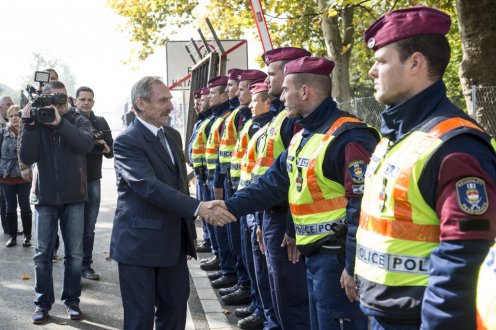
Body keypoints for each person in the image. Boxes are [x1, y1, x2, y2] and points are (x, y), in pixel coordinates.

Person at [355, 6, 496, 329]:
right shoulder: (397, 137)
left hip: (419, 319)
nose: (372, 72)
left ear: (415, 63)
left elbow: (464, 259)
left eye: (381, 61)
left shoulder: (455, 145)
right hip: (383, 312)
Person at [221, 56, 377, 330]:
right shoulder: (303, 136)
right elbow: (274, 185)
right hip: (315, 256)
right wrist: (227, 208)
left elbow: (361, 208)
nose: (280, 94)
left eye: (286, 90)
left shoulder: (348, 137)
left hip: (338, 261)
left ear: (304, 91)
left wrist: (352, 267)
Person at [110, 76, 235, 330]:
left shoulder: (172, 135)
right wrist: (198, 207)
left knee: (175, 311)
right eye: (163, 100)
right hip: (139, 247)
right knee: (139, 320)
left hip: (173, 245)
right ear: (141, 104)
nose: (170, 106)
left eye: (170, 99)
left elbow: (178, 185)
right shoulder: (127, 141)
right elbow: (149, 187)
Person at [19, 80, 94, 324]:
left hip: (74, 198)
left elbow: (86, 144)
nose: (58, 102)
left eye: (63, 97)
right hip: (44, 198)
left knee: (74, 254)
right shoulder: (37, 122)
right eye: (54, 97)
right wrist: (30, 125)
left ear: (68, 99)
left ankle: (72, 302)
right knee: (42, 255)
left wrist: (60, 124)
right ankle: (42, 304)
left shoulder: (78, 119)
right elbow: (28, 157)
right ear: (45, 98)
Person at [216, 69, 267, 307]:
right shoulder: (245, 118)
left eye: (240, 87)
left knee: (257, 257)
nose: (233, 91)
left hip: (256, 199)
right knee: (244, 250)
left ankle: (254, 298)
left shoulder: (253, 120)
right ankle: (251, 294)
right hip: (240, 191)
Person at [234, 80, 277, 329]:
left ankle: (266, 315)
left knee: (264, 269)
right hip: (250, 202)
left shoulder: (275, 127)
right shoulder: (258, 126)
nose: (249, 103)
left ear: (267, 102)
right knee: (256, 267)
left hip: (263, 206)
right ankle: (260, 308)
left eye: (254, 99)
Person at [75, 86, 114, 280]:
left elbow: (110, 152)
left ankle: (86, 265)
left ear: (94, 102)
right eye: (82, 99)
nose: (86, 102)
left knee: (89, 228)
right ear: (75, 101)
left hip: (93, 180)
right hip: (72, 181)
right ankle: (73, 266)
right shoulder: (69, 121)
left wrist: (104, 147)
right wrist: (92, 145)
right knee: (74, 227)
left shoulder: (100, 122)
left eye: (89, 99)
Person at [1, 105, 32, 248]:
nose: (14, 118)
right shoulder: (2, 133)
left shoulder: (28, 132)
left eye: (17, 115)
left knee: (25, 205)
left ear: (21, 116)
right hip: (6, 176)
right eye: (11, 115)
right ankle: (12, 237)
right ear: (8, 117)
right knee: (10, 206)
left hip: (24, 175)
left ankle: (27, 237)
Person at [0, 96, 13, 234]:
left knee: (6, 199)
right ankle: (8, 227)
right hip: (2, 167)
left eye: (12, 104)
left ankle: (9, 227)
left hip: (10, 169)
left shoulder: (12, 121)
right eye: (7, 104)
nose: (10, 106)